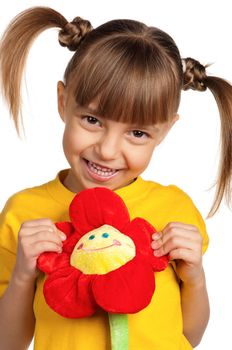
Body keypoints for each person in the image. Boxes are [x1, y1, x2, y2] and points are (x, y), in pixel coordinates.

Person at [0, 6, 231, 350]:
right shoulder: (25, 212)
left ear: (165, 130)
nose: (107, 150)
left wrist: (194, 277)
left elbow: (190, 337)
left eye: (137, 132)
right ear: (63, 102)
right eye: (92, 120)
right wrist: (22, 275)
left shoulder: (174, 208)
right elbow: (9, 343)